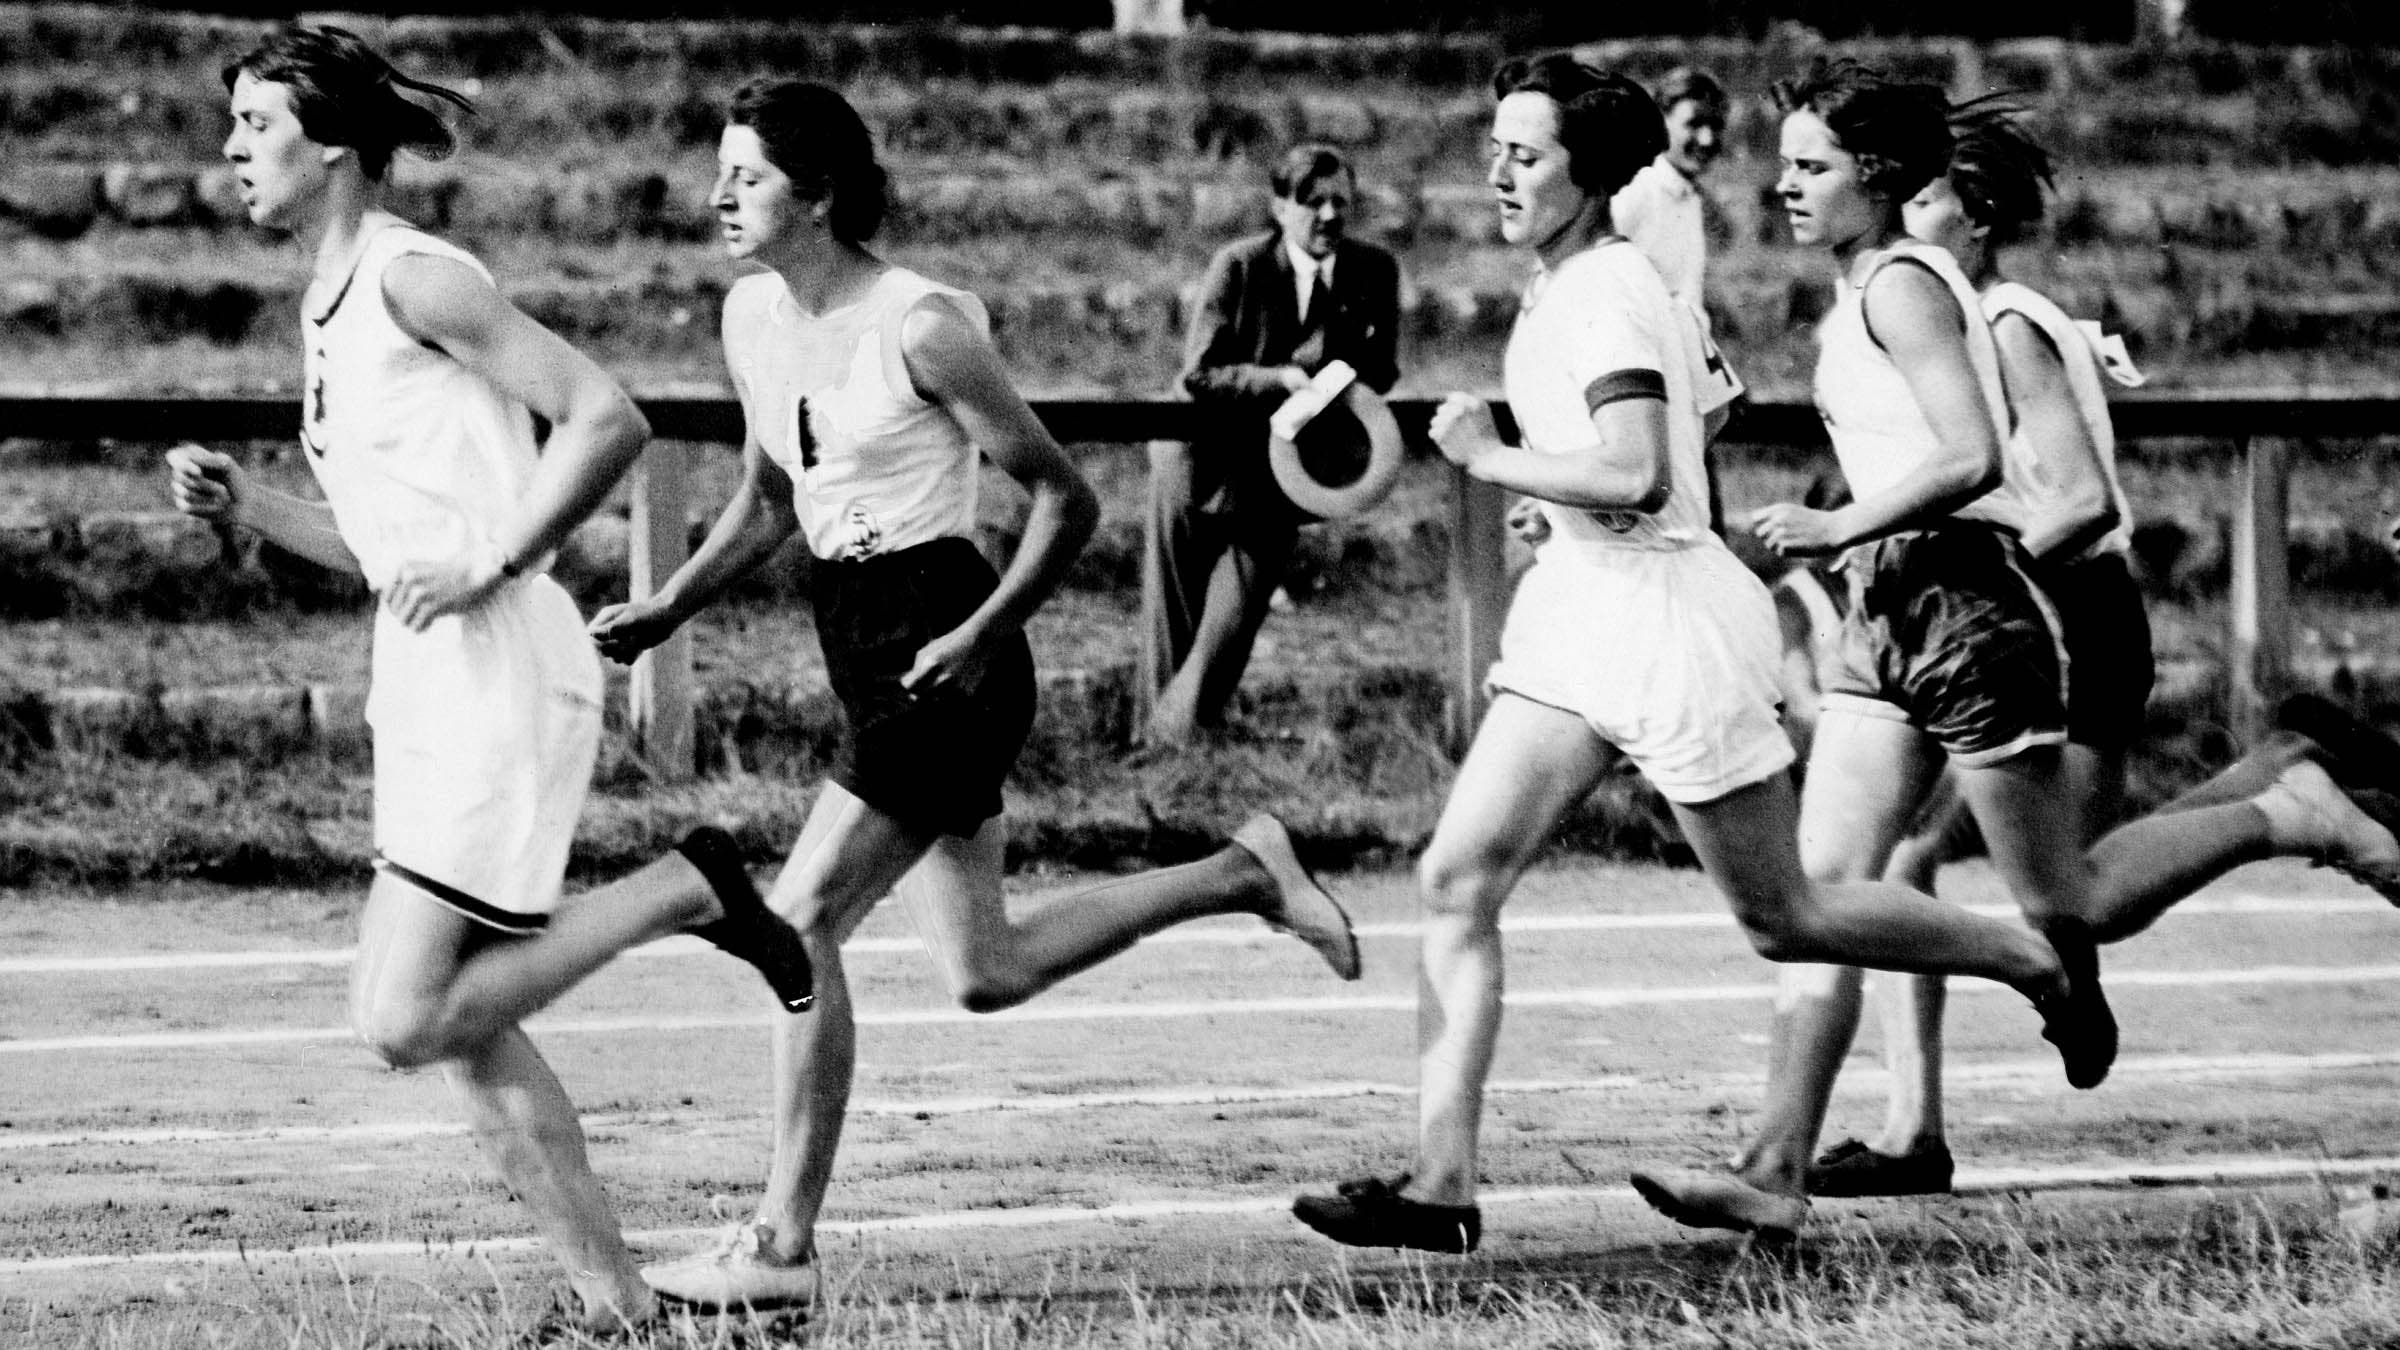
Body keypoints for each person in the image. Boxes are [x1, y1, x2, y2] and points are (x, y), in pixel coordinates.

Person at [1288, 52, 2109, 1257]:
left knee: (1785, 916)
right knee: (1457, 877)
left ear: (1590, 171)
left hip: (1667, 625)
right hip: (1588, 604)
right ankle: (1440, 1186)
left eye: (1526, 154)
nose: (1497, 171)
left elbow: (1640, 470)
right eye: (1497, 149)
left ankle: (2027, 959)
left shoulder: (1614, 289)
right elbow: (1703, 412)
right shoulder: (1594, 283)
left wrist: (1497, 458)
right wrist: (1563, 497)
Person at [588, 79, 1363, 1312]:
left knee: (795, 924)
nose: (721, 196)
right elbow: (771, 499)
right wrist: (671, 604)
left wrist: (979, 629)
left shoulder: (924, 327)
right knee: (985, 968)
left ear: (822, 196)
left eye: (749, 177)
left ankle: (781, 1249)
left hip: (949, 639)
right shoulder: (751, 317)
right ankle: (1243, 873)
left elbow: (1067, 499)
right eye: (722, 174)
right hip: (861, 640)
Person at [164, 26, 813, 1333]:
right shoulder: (332, 299)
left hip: (499, 665)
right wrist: (251, 508)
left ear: (332, 144)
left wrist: (493, 559)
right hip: (432, 673)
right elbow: (382, 547)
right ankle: (621, 1307)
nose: (232, 149)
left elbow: (605, 414)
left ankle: (683, 887)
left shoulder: (415, 275)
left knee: (401, 1016)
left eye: (254, 122)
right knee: (464, 1033)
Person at [1790, 102, 2400, 1199]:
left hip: (2058, 606)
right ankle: (1911, 1129)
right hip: (1993, 606)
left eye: (1925, 197)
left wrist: (1948, 537)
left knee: (2073, 902)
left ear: (1971, 216)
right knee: (1917, 865)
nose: (1909, 217)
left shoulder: (2009, 318)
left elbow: (2078, 501)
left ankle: (2286, 799)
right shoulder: (1931, 313)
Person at [1625, 59, 2127, 1244]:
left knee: (2071, 901)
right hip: (1881, 617)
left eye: (1812, 167)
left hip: (1965, 614)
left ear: (1881, 176)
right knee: (1807, 902)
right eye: (1788, 162)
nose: (1784, 186)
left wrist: (1836, 522)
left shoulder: (1904, 285)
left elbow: (1971, 458)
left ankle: (2255, 831)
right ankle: (1774, 1168)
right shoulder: (1862, 287)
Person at [1142, 144, 1403, 744]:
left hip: (1283, 464)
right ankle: (1161, 745)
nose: (1331, 215)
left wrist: (1337, 378)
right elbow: (1199, 374)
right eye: (1314, 202)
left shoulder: (1374, 269)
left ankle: (1180, 734)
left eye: (1342, 201)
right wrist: (1280, 377)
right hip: (1199, 455)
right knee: (1175, 609)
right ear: (1279, 207)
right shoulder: (1238, 265)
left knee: (1240, 607)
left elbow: (1382, 368)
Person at [1610, 65, 1727, 315]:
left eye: (1715, 125)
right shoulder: (1635, 189)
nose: (1707, 139)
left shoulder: (1688, 194)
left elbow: (1687, 302)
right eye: (1694, 124)